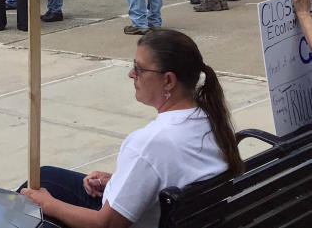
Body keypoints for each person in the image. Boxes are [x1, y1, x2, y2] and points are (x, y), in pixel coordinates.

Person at [21, 28, 244, 227]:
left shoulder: (151, 142)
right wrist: (121, 180)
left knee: (30, 204)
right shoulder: (208, 118)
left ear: (168, 81)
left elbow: (107, 224)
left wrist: (48, 204)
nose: (131, 74)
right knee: (45, 176)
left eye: (139, 69)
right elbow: (175, 172)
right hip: (189, 216)